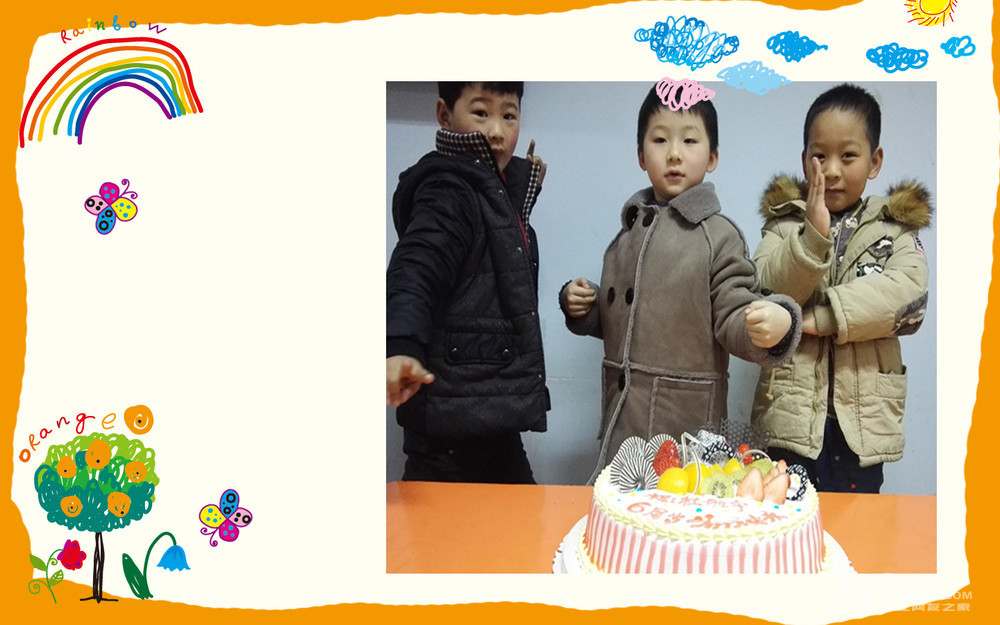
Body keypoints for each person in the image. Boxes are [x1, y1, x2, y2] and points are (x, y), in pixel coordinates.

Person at [560, 82, 802, 482]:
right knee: (619, 516)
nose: (674, 153)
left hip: (685, 430)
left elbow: (733, 312)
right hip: (621, 427)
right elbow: (627, 321)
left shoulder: (717, 236)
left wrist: (773, 326)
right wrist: (585, 307)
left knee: (681, 516)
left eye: (690, 141)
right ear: (641, 155)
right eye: (660, 140)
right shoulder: (625, 236)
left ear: (713, 156)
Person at [751, 83, 931, 493]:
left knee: (858, 526)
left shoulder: (896, 227)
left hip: (863, 428)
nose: (831, 170)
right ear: (804, 160)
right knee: (787, 524)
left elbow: (911, 296)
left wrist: (823, 318)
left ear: (874, 161)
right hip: (790, 421)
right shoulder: (784, 224)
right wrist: (813, 235)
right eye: (819, 156)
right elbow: (765, 288)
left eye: (848, 155)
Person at [386, 82, 549, 483]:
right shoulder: (449, 189)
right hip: (449, 429)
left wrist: (521, 187)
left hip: (491, 416)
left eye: (509, 116)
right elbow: (418, 263)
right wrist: (401, 345)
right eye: (481, 113)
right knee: (437, 521)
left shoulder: (494, 191)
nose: (496, 131)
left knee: (523, 517)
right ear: (445, 115)